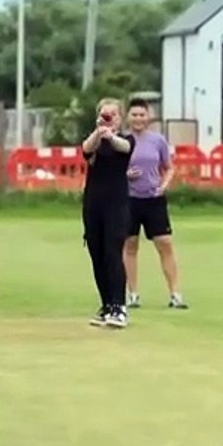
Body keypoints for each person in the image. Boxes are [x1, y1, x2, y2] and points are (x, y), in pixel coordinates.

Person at [122, 98, 188, 310]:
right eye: (134, 115)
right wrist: (125, 175)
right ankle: (132, 294)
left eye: (142, 115)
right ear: (128, 117)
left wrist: (163, 185)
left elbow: (169, 167)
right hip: (129, 199)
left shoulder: (157, 141)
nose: (138, 119)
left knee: (165, 244)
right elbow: (111, 171)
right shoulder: (121, 141)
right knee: (130, 245)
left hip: (153, 199)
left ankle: (175, 294)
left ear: (148, 117)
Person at [81, 98, 136, 328]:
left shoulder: (125, 139)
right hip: (93, 202)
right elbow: (86, 150)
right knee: (97, 253)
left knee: (113, 253)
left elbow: (125, 148)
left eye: (112, 114)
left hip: (116, 204)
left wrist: (110, 135)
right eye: (104, 114)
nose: (108, 118)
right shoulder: (95, 141)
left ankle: (119, 306)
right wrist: (98, 131)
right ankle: (106, 304)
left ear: (120, 118)